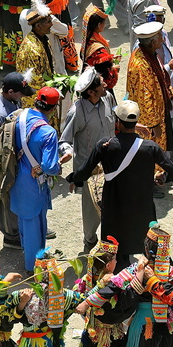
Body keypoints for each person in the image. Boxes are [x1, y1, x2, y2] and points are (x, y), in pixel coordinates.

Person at [70, 101, 173, 269]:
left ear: (118, 122)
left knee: (116, 247)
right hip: (142, 207)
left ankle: (120, 276)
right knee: (150, 242)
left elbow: (84, 172)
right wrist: (162, 178)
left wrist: (72, 178)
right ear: (136, 123)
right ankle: (164, 272)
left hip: (114, 207)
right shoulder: (150, 147)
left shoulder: (105, 145)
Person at [70, 237, 135, 347]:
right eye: (114, 260)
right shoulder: (109, 281)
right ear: (108, 265)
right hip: (106, 334)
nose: (116, 262)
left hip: (92, 329)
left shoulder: (88, 278)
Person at [59, 68, 117, 253]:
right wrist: (67, 153)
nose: (105, 84)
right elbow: (64, 140)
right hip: (91, 171)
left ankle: (110, 242)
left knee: (113, 204)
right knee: (91, 210)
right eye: (100, 83)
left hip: (113, 164)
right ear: (91, 92)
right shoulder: (76, 112)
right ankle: (90, 241)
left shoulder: (107, 98)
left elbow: (115, 119)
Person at [11, 87, 63, 272]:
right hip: (34, 185)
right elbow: (49, 166)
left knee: (24, 220)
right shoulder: (48, 132)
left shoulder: (20, 117)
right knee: (35, 225)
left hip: (17, 179)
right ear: (53, 108)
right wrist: (60, 164)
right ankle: (33, 268)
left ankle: (27, 252)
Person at [127, 21, 173, 164]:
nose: (163, 39)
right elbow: (145, 98)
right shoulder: (141, 65)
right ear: (152, 42)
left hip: (159, 113)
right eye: (160, 37)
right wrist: (153, 126)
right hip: (148, 122)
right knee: (150, 151)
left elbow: (159, 80)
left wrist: (171, 92)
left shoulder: (150, 55)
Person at [0, 72, 32, 250]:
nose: (22, 96)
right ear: (9, 91)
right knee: (6, 201)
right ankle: (10, 236)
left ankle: (21, 230)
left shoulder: (15, 102)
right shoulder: (0, 114)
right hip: (5, 163)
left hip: (15, 158)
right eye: (20, 93)